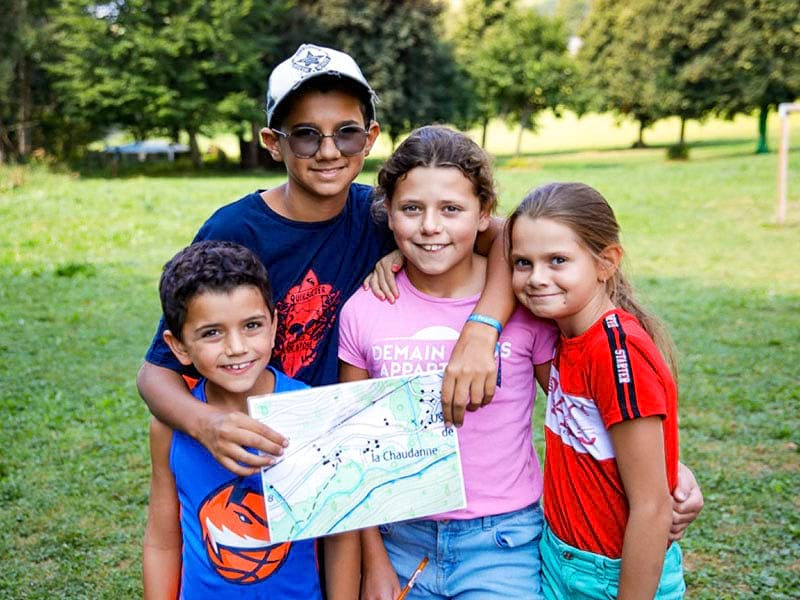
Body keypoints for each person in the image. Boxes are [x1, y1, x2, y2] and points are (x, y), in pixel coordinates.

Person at [136, 43, 509, 482]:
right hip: (264, 453)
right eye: (306, 134)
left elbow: (511, 240)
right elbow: (155, 373)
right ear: (273, 144)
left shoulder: (389, 215)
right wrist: (207, 424)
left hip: (353, 456)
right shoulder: (235, 231)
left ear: (370, 138)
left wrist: (483, 328)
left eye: (346, 132)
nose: (329, 151)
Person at [338, 125, 558, 599]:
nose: (430, 226)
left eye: (452, 209)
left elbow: (574, 413)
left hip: (503, 542)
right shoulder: (365, 309)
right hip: (399, 541)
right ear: (390, 216)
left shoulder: (522, 304)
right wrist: (373, 562)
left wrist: (661, 471)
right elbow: (353, 449)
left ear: (484, 216)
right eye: (411, 208)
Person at [507, 182, 687, 599]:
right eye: (522, 262)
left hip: (611, 574)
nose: (537, 278)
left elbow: (653, 506)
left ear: (605, 262)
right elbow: (478, 229)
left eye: (557, 260)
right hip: (558, 557)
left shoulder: (615, 352)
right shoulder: (564, 334)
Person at [142, 240, 333, 598]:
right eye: (212, 332)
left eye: (252, 326)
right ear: (178, 345)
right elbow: (162, 542)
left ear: (275, 325)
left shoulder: (312, 409)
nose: (236, 347)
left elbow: (340, 531)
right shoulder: (170, 426)